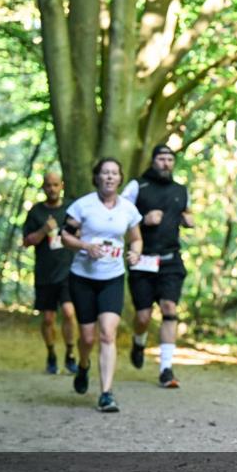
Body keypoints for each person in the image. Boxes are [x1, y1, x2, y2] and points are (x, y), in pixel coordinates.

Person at [62, 158, 143, 412]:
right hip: (83, 278)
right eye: (105, 173)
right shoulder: (82, 206)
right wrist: (85, 246)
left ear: (120, 179)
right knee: (87, 337)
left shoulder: (128, 209)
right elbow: (64, 236)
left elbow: (136, 238)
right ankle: (83, 365)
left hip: (113, 278)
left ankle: (106, 393)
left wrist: (135, 253)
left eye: (114, 173)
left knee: (108, 333)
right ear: (96, 177)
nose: (109, 177)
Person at [121, 144, 194, 388]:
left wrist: (188, 220)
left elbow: (187, 213)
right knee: (143, 316)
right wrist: (144, 220)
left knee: (169, 308)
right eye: (161, 159)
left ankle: (166, 369)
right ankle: (139, 341)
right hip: (142, 259)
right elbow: (119, 218)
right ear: (153, 161)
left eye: (170, 159)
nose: (166, 163)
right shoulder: (137, 186)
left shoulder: (180, 190)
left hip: (171, 260)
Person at [23, 171, 78, 374]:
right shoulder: (36, 212)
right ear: (43, 187)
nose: (52, 189)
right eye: (48, 185)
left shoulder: (71, 209)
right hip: (45, 272)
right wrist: (44, 230)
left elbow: (82, 233)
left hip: (69, 270)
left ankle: (70, 354)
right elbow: (26, 241)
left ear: (61, 186)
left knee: (69, 313)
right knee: (48, 318)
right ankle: (51, 354)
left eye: (55, 185)